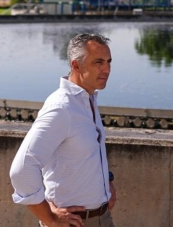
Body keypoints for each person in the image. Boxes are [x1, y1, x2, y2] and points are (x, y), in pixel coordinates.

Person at [10, 33, 117, 227]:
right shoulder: (62, 107)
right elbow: (22, 169)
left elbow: (84, 153)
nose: (107, 69)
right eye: (98, 62)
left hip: (101, 218)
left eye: (109, 61)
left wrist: (106, 181)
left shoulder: (87, 99)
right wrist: (49, 217)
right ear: (76, 65)